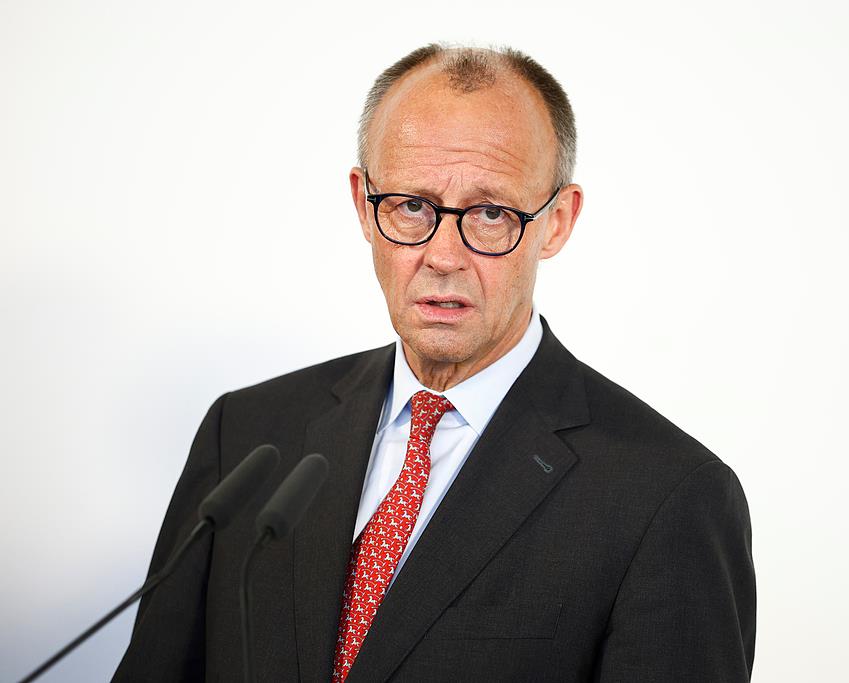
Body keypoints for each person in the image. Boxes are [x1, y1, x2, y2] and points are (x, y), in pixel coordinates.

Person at [114, 44, 756, 682]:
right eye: (413, 206)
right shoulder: (247, 433)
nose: (443, 256)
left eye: (491, 213)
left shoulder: (668, 496)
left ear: (557, 222)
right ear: (364, 204)